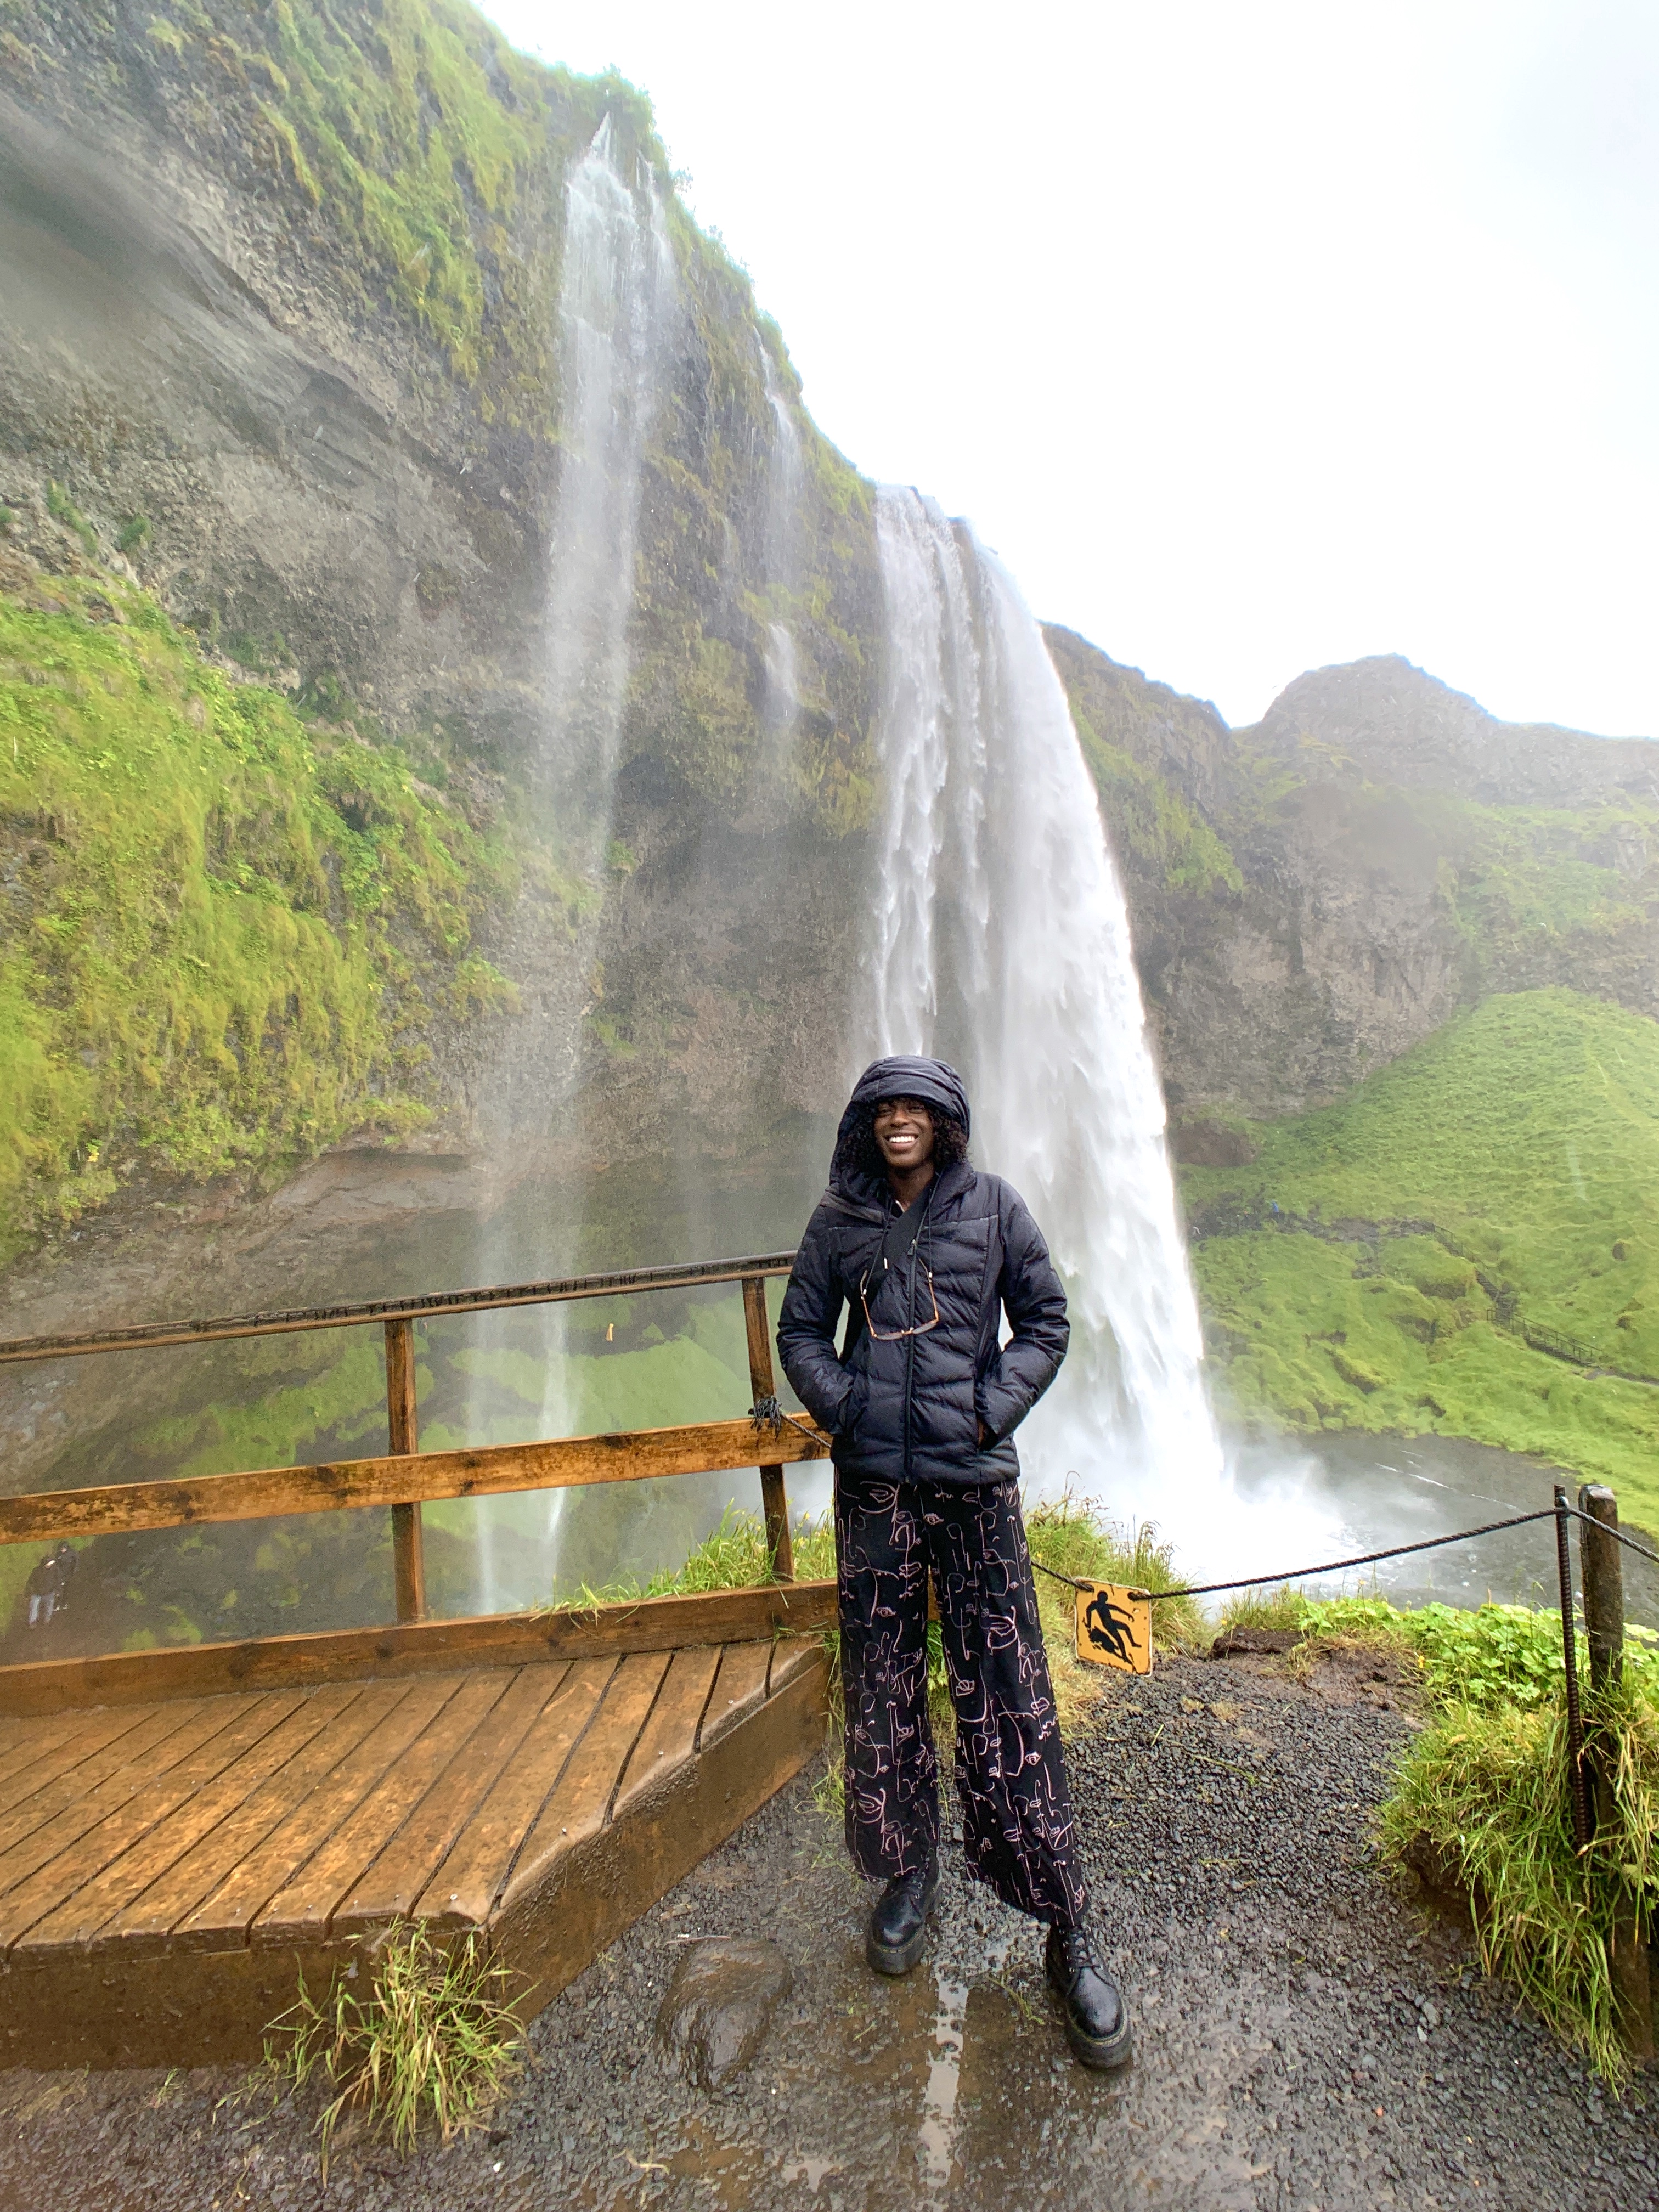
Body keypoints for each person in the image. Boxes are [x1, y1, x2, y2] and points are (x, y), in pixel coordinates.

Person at [777, 1055, 1131, 2070]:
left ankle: (1068, 1927)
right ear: (866, 1123)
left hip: (975, 1489)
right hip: (876, 1492)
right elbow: (802, 1327)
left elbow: (1047, 1323)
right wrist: (843, 1404)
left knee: (1010, 1690)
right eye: (886, 1108)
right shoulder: (839, 1219)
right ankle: (906, 1875)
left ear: (945, 1124)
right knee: (883, 1686)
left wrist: (988, 1408)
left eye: (917, 1109)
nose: (901, 1122)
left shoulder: (997, 1209)